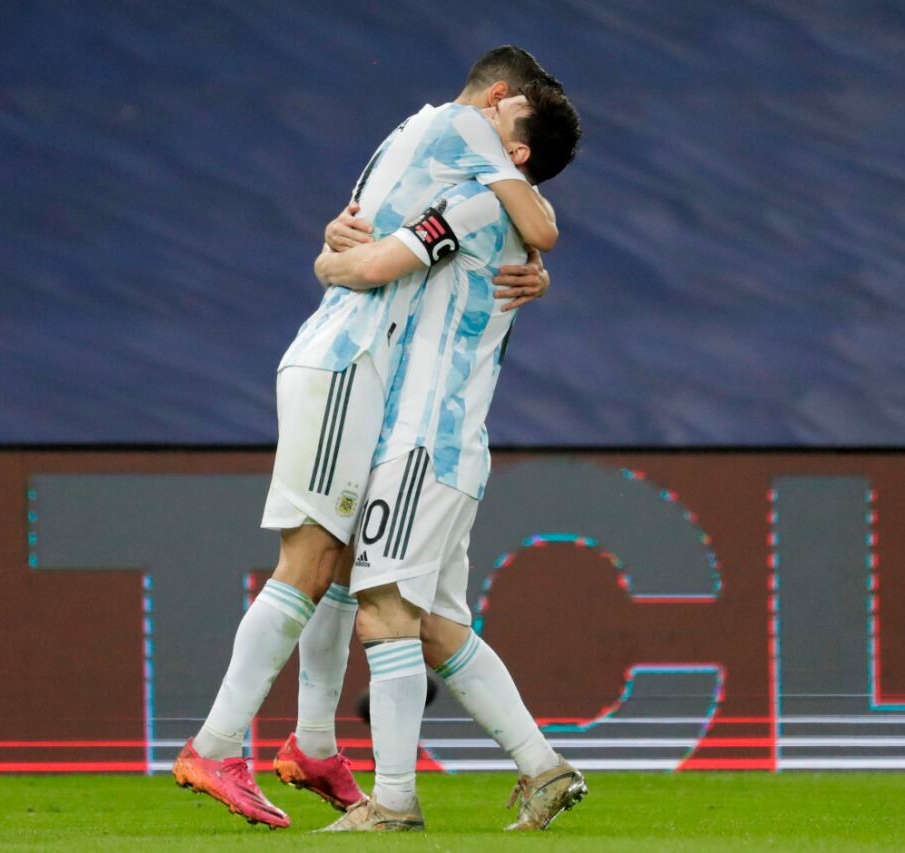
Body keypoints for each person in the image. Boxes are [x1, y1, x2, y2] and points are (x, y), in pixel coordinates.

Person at [170, 47, 566, 829]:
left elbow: (498, 235)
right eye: (515, 137)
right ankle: (223, 746)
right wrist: (333, 260)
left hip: (389, 393)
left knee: (352, 568)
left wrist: (332, 253)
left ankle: (323, 747)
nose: (513, 152)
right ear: (497, 104)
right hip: (352, 362)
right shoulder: (465, 133)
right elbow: (538, 225)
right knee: (322, 562)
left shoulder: (427, 147)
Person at [311, 82, 585, 833]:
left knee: (383, 606)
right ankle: (544, 767)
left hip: (422, 437)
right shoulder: (511, 214)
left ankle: (392, 800)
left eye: (500, 117)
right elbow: (534, 230)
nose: (482, 117)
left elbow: (372, 269)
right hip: (455, 443)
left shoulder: (475, 207)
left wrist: (330, 261)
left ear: (514, 151)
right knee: (433, 627)